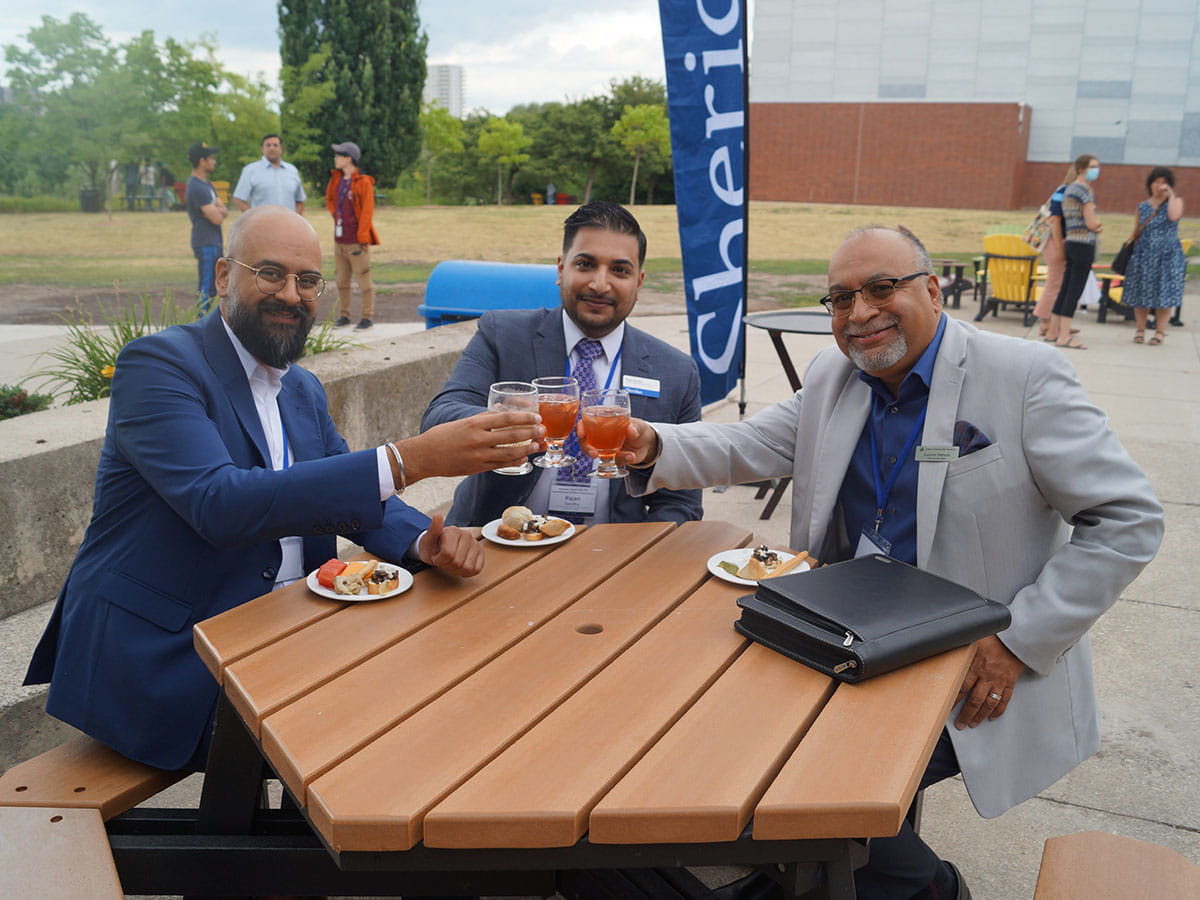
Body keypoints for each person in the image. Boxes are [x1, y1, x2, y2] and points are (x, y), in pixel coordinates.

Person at [612, 225, 1163, 900]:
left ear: (932, 290)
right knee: (721, 734)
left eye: (881, 288)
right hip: (849, 634)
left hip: (966, 660)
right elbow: (746, 444)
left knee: (814, 783)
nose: (861, 312)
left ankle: (926, 889)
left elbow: (1128, 520)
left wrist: (1018, 641)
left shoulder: (1024, 377)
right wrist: (649, 443)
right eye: (842, 298)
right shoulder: (834, 376)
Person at [23, 206, 544, 774]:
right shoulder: (160, 367)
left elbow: (347, 493)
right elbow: (219, 503)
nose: (291, 295)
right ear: (224, 276)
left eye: (308, 280)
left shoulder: (301, 389)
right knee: (386, 743)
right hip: (172, 659)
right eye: (270, 274)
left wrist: (425, 542)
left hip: (292, 635)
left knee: (463, 692)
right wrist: (409, 460)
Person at [421, 200, 703, 528]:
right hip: (501, 539)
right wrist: (503, 419)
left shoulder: (676, 372)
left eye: (620, 270)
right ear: (560, 269)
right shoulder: (502, 334)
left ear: (639, 282)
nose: (600, 284)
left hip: (613, 547)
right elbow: (438, 418)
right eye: (585, 264)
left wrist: (641, 551)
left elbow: (681, 500)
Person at [1119, 166, 1186, 346]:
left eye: (1164, 182)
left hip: (1168, 256)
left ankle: (1159, 332)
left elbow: (1173, 216)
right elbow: (1136, 230)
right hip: (1143, 254)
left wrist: (1171, 194)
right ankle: (1140, 330)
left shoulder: (1176, 202)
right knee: (1140, 294)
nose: (1159, 186)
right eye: (1156, 182)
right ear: (1150, 184)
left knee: (1164, 295)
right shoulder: (1142, 206)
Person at [1045, 154, 1102, 350]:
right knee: (1074, 291)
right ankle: (1064, 336)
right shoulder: (1085, 191)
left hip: (1070, 242)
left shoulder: (1068, 189)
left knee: (1065, 289)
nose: (1096, 170)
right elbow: (1091, 222)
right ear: (1081, 169)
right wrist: (1098, 226)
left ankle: (1053, 331)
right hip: (1084, 243)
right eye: (1093, 166)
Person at [324, 141, 379, 331]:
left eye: (339, 155)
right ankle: (344, 315)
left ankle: (367, 317)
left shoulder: (363, 182)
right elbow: (329, 199)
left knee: (364, 279)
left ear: (349, 158)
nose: (335, 158)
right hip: (339, 240)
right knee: (341, 280)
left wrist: (362, 237)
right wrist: (335, 214)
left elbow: (367, 212)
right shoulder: (336, 179)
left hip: (356, 241)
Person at [185, 142, 228, 315]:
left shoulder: (207, 185)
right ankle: (201, 317)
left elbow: (223, 211)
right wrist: (218, 209)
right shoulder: (196, 187)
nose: (214, 161)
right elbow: (217, 218)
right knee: (206, 283)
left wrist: (218, 208)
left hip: (215, 240)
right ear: (202, 161)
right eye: (211, 158)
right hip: (205, 242)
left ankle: (209, 317)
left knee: (214, 285)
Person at [1032, 168, 1072, 339]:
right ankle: (1045, 322)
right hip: (1054, 241)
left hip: (1057, 241)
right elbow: (1054, 219)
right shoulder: (1063, 191)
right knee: (1055, 283)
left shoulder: (1065, 191)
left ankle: (1053, 322)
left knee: (1058, 283)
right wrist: (1059, 246)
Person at [231, 133, 306, 214]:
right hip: (262, 221)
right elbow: (239, 199)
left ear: (281, 149)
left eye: (275, 145)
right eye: (268, 145)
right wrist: (254, 217)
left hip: (288, 221)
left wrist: (296, 218)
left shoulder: (292, 170)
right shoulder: (250, 170)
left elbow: (300, 201)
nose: (271, 148)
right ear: (262, 149)